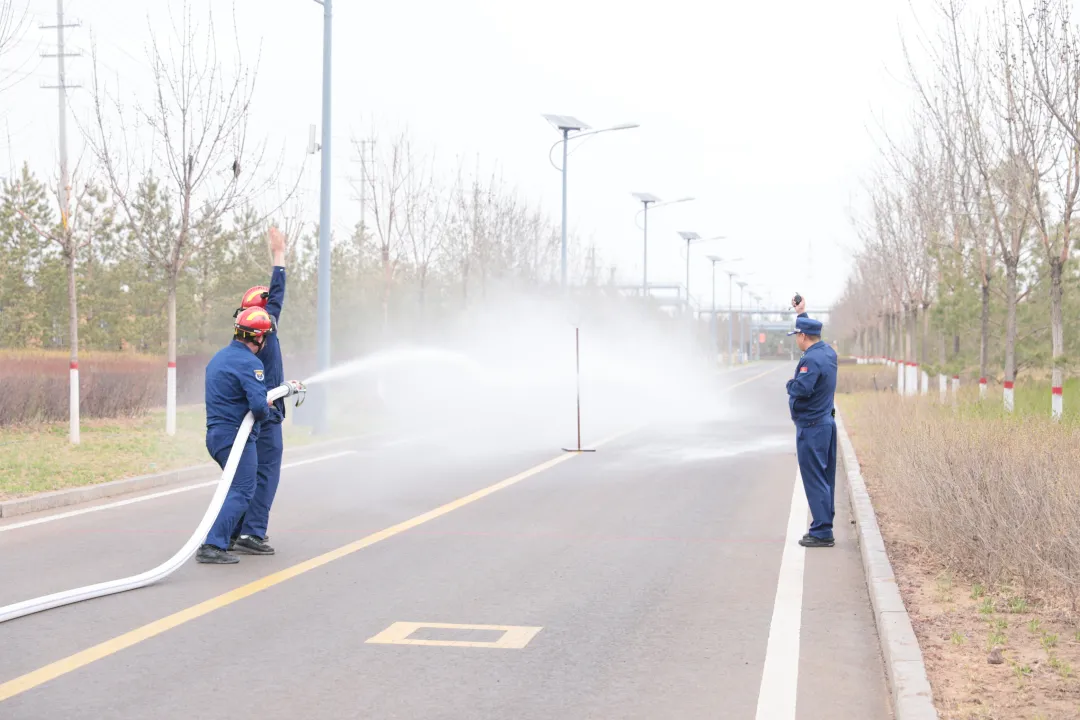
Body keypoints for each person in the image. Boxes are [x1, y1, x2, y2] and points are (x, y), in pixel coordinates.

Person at [197, 306, 279, 564]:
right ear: (259, 337)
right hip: (236, 437)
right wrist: (268, 407)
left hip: (217, 436)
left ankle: (229, 536)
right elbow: (258, 407)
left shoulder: (219, 357)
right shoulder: (250, 363)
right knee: (243, 489)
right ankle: (212, 545)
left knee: (238, 487)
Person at [228, 227, 288, 556]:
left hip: (247, 415)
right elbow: (277, 295)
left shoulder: (240, 340)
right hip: (267, 413)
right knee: (265, 473)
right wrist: (279, 255)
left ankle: (235, 529)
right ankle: (252, 532)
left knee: (246, 475)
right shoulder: (266, 331)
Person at [786, 296, 838, 548]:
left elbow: (802, 389)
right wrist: (801, 313)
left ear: (803, 337)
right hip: (825, 423)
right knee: (824, 477)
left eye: (797, 335)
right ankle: (824, 525)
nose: (796, 339)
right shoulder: (827, 352)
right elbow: (811, 334)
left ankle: (822, 532)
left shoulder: (811, 360)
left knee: (815, 478)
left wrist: (790, 384)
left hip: (812, 428)